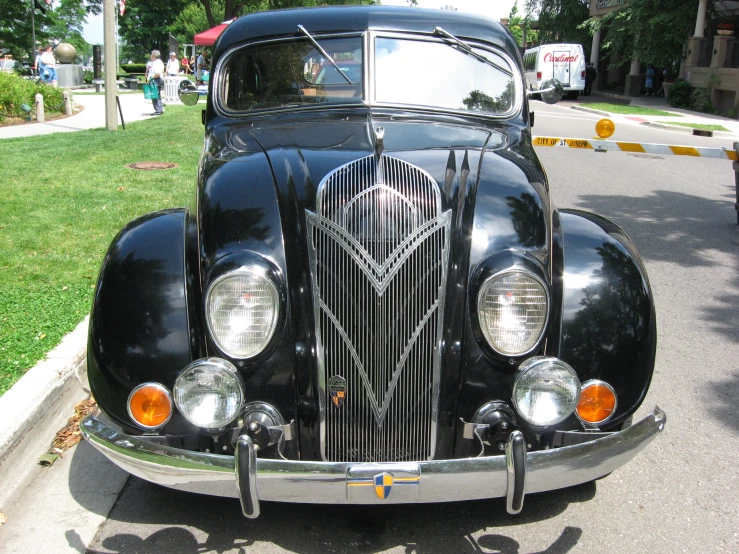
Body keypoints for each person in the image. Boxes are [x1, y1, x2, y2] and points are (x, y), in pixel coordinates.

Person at [148, 50, 165, 115]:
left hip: (156, 80)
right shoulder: (156, 62)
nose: (151, 56)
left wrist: (151, 78)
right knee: (157, 95)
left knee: (154, 95)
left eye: (151, 54)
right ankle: (160, 109)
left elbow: (158, 73)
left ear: (154, 55)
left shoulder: (157, 62)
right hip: (156, 79)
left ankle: (158, 110)